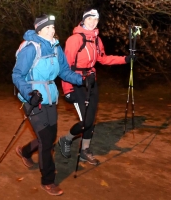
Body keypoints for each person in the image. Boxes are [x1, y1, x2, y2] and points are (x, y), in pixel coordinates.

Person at [12, 14, 93, 196]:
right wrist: (29, 93)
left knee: (49, 137)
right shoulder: (31, 48)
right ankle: (48, 180)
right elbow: (17, 75)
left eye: (53, 27)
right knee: (47, 141)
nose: (52, 30)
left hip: (50, 97)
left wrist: (82, 80)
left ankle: (25, 152)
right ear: (39, 29)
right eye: (48, 28)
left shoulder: (56, 48)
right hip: (33, 99)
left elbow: (64, 71)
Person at [58, 8, 136, 165]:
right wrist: (67, 90)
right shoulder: (74, 40)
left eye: (96, 20)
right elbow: (64, 67)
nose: (93, 22)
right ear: (84, 19)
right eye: (90, 19)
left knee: (91, 120)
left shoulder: (96, 39)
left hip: (92, 82)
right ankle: (65, 140)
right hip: (76, 82)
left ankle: (85, 150)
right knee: (86, 121)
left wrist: (125, 59)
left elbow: (104, 59)